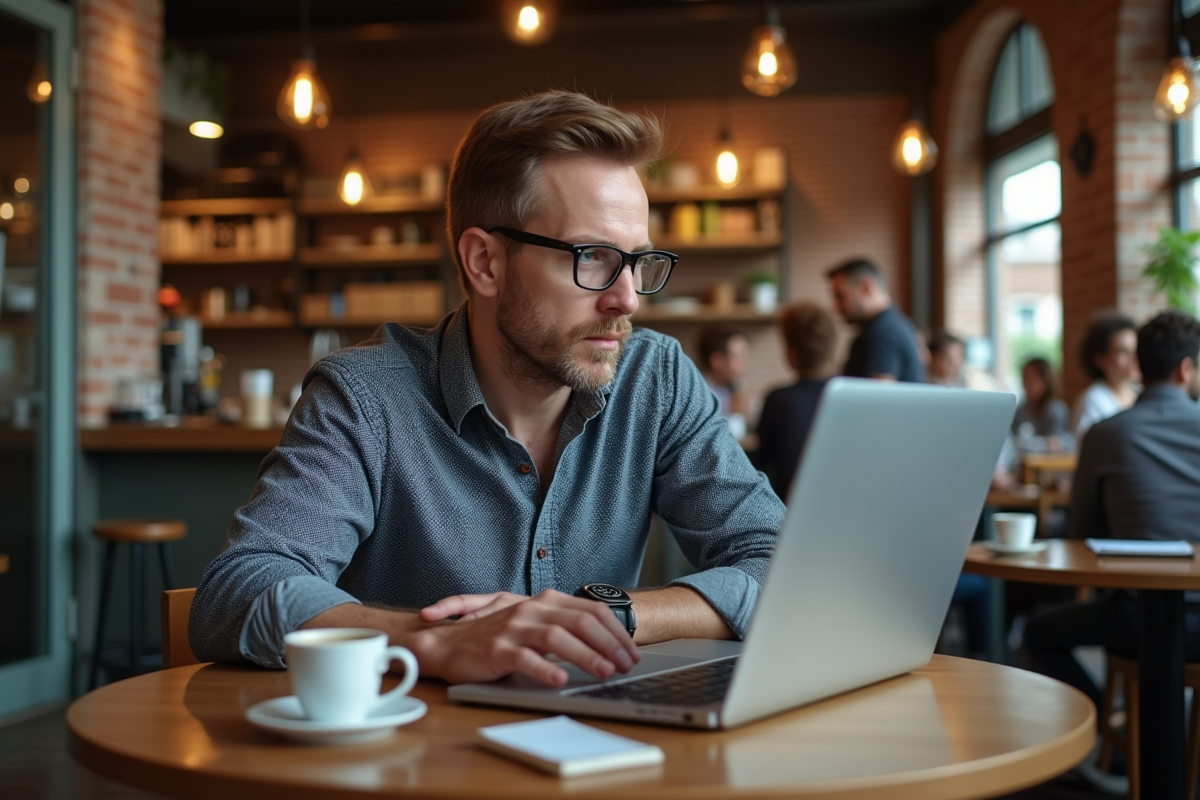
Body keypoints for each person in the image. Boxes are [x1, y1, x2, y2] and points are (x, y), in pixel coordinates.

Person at [189, 91, 783, 688]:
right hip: (410, 762)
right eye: (592, 257)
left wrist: (609, 616)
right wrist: (433, 642)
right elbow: (238, 590)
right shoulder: (366, 398)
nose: (627, 298)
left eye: (638, 261)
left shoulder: (656, 380)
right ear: (485, 262)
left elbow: (781, 563)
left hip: (597, 757)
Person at [1023, 310, 1200, 710]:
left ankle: (1107, 727)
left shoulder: (1105, 435)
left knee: (1038, 631)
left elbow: (1080, 534)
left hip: (1134, 620)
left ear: (1140, 364)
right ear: (1185, 368)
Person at [753, 301, 838, 501]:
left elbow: (761, 460)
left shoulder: (779, 399)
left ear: (792, 353)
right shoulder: (851, 397)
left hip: (788, 513)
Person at [827, 258, 924, 382]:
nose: (836, 305)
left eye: (840, 296)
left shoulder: (882, 334)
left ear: (865, 288)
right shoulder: (899, 324)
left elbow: (879, 399)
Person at [1071, 312, 1139, 442]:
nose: (1133, 358)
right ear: (1100, 359)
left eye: (1135, 351)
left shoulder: (1142, 395)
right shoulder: (1093, 401)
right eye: (1123, 351)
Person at [696, 326, 750, 427]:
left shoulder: (728, 390)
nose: (745, 366)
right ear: (717, 361)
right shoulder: (696, 397)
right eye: (738, 358)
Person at [1011, 357, 1070, 439]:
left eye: (1032, 379)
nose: (1027, 384)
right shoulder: (1021, 410)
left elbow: (1054, 444)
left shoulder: (1056, 410)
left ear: (1046, 380)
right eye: (1025, 378)